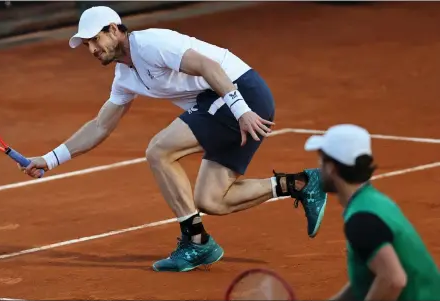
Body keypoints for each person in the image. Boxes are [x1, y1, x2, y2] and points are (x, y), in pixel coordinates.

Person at [19, 6, 328, 272]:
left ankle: (196, 241)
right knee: (212, 200)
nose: (92, 49)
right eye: (87, 45)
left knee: (158, 150)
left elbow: (208, 66)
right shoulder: (125, 77)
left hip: (237, 92)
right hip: (222, 103)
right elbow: (100, 125)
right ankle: (301, 184)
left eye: (95, 40)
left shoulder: (151, 43)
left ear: (114, 30)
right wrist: (49, 159)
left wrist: (241, 110)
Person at [304, 124, 440, 300]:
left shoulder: (361, 221)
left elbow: (393, 280)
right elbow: (370, 276)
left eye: (321, 161)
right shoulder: (373, 201)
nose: (319, 168)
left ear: (332, 168)